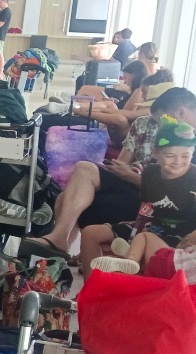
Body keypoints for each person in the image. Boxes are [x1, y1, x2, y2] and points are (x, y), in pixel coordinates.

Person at [22, 87, 196, 264]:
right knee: (83, 168)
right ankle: (59, 240)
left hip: (150, 195)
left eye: (162, 121)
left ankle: (63, 246)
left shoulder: (187, 146)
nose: (159, 126)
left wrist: (132, 177)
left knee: (64, 199)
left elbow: (168, 192)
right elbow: (122, 162)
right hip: (131, 177)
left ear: (181, 113)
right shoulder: (145, 124)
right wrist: (123, 171)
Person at [85, 116, 196, 273]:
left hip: (182, 239)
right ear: (155, 152)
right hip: (153, 227)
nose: (178, 161)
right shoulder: (150, 173)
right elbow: (145, 211)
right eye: (170, 155)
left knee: (138, 255)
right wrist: (134, 236)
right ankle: (92, 293)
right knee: (90, 234)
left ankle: (128, 265)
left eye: (185, 155)